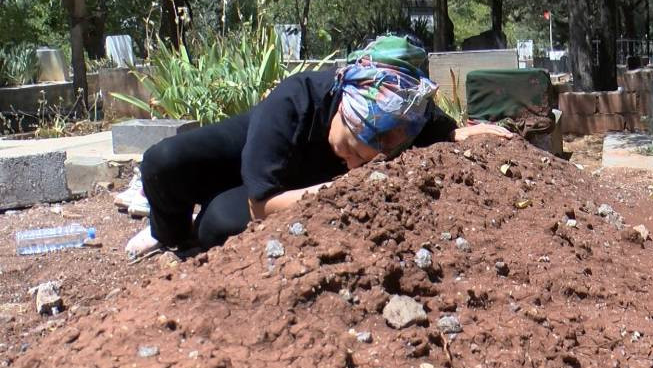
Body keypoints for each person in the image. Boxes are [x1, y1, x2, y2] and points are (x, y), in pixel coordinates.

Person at [125, 36, 512, 258]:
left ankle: (197, 231)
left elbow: (441, 129)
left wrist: (465, 134)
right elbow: (261, 204)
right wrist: (340, 190)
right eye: (352, 148)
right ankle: (167, 235)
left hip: (300, 180)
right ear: (342, 107)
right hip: (264, 149)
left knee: (215, 224)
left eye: (368, 159)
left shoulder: (405, 114)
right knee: (163, 162)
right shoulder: (295, 101)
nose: (356, 167)